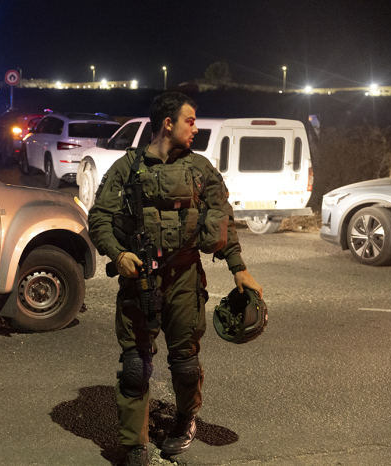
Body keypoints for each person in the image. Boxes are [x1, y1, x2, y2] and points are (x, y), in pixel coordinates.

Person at [88, 92, 263, 466]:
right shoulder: (126, 169)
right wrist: (118, 255)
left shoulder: (201, 170)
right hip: (139, 279)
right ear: (168, 123)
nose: (195, 128)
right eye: (191, 121)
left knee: (185, 362)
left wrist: (239, 268)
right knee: (136, 365)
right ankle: (135, 444)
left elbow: (223, 219)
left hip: (185, 275)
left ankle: (185, 420)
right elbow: (98, 219)